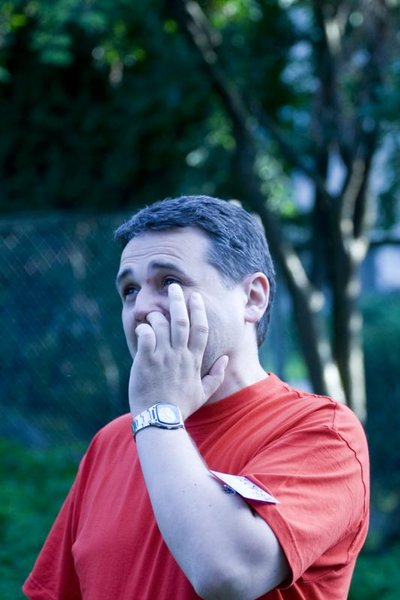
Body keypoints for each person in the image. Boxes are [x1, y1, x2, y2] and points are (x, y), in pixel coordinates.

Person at [23, 195, 369, 600]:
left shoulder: (323, 432)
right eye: (130, 290)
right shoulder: (111, 441)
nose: (140, 308)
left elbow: (228, 572)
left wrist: (157, 412)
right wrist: (154, 416)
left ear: (253, 298)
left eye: (169, 281)